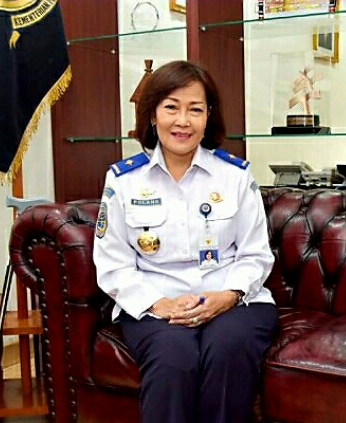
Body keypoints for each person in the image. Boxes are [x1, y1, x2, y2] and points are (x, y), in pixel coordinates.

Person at [93, 60, 277, 423]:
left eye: (195, 109)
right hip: (155, 304)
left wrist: (227, 296)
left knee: (227, 347)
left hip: (234, 301)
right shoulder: (123, 181)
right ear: (153, 115)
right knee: (173, 356)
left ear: (208, 117)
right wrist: (160, 304)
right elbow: (113, 262)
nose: (183, 121)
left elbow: (255, 254)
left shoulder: (235, 176)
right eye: (171, 107)